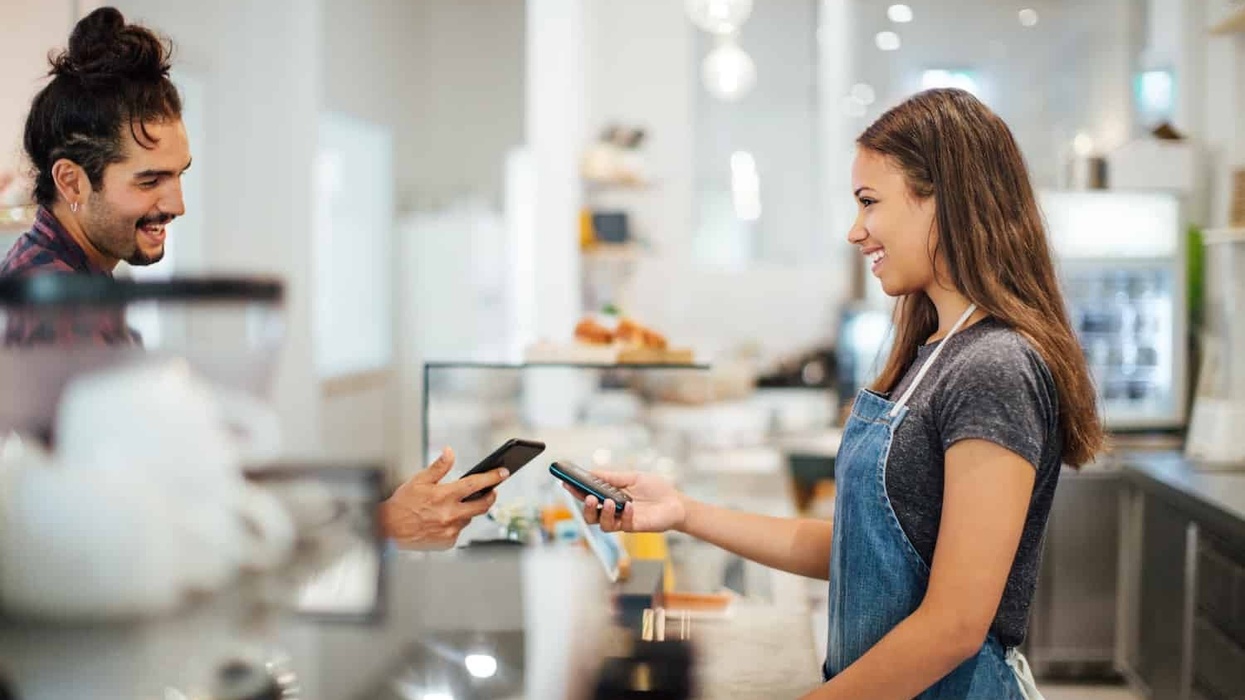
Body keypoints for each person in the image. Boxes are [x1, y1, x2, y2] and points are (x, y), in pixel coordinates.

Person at [574, 88, 1103, 699]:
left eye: (869, 202)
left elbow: (955, 625)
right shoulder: (932, 354)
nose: (856, 231)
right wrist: (684, 512)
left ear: (945, 201)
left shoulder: (994, 366)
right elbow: (856, 553)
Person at [0, 6, 504, 549]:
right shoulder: (54, 307)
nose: (176, 203)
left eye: (179, 175)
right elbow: (116, 528)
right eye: (150, 180)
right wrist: (379, 524)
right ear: (72, 181)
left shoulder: (68, 280)